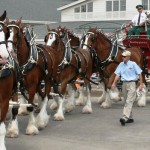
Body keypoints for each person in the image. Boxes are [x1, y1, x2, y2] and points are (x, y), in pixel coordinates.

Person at [111, 50, 143, 126]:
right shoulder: (121, 65)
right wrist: (114, 83)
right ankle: (130, 118)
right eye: (122, 56)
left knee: (129, 101)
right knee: (126, 101)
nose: (123, 58)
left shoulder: (133, 64)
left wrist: (141, 84)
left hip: (132, 84)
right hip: (124, 84)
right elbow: (117, 75)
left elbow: (139, 73)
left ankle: (125, 117)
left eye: (124, 56)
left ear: (128, 57)